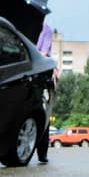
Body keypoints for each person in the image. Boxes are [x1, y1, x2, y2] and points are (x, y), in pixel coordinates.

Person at [36, 22, 57, 163]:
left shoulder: (45, 28)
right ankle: (41, 152)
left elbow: (43, 54)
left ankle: (42, 152)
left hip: (41, 75)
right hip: (34, 72)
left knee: (43, 113)